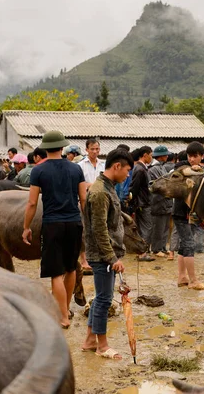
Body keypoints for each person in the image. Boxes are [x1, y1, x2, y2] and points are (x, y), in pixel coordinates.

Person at [22, 131, 86, 329]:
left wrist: (26, 227)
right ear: (62, 147)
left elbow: (32, 203)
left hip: (52, 224)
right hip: (74, 222)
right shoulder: (76, 169)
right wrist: (86, 224)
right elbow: (83, 199)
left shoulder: (38, 171)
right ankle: (65, 310)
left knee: (56, 273)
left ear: (44, 148)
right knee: (70, 268)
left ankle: (63, 316)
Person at [80, 148, 133, 360]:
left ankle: (89, 340)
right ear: (117, 166)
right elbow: (98, 229)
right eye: (127, 170)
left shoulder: (107, 187)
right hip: (102, 254)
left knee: (101, 297)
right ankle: (102, 345)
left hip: (105, 253)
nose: (128, 174)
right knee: (104, 299)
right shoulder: (100, 191)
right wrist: (112, 258)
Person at [171, 142, 204, 290]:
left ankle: (182, 277)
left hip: (191, 212)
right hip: (180, 211)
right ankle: (193, 280)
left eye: (195, 156)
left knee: (184, 245)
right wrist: (192, 170)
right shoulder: (181, 166)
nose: (192, 159)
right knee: (189, 244)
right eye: (190, 156)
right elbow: (179, 170)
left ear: (202, 156)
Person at [130, 146, 154, 261]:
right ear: (145, 155)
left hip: (142, 202)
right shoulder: (139, 169)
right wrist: (134, 203)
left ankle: (142, 251)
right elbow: (134, 188)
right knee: (146, 227)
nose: (151, 158)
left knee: (142, 227)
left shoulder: (141, 168)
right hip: (143, 203)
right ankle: (143, 252)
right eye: (151, 155)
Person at [148, 145, 172, 258]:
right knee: (158, 227)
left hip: (166, 202)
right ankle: (156, 249)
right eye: (165, 154)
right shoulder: (153, 169)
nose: (167, 156)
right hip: (158, 202)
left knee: (165, 227)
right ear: (161, 156)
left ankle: (162, 247)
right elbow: (159, 184)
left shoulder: (162, 167)